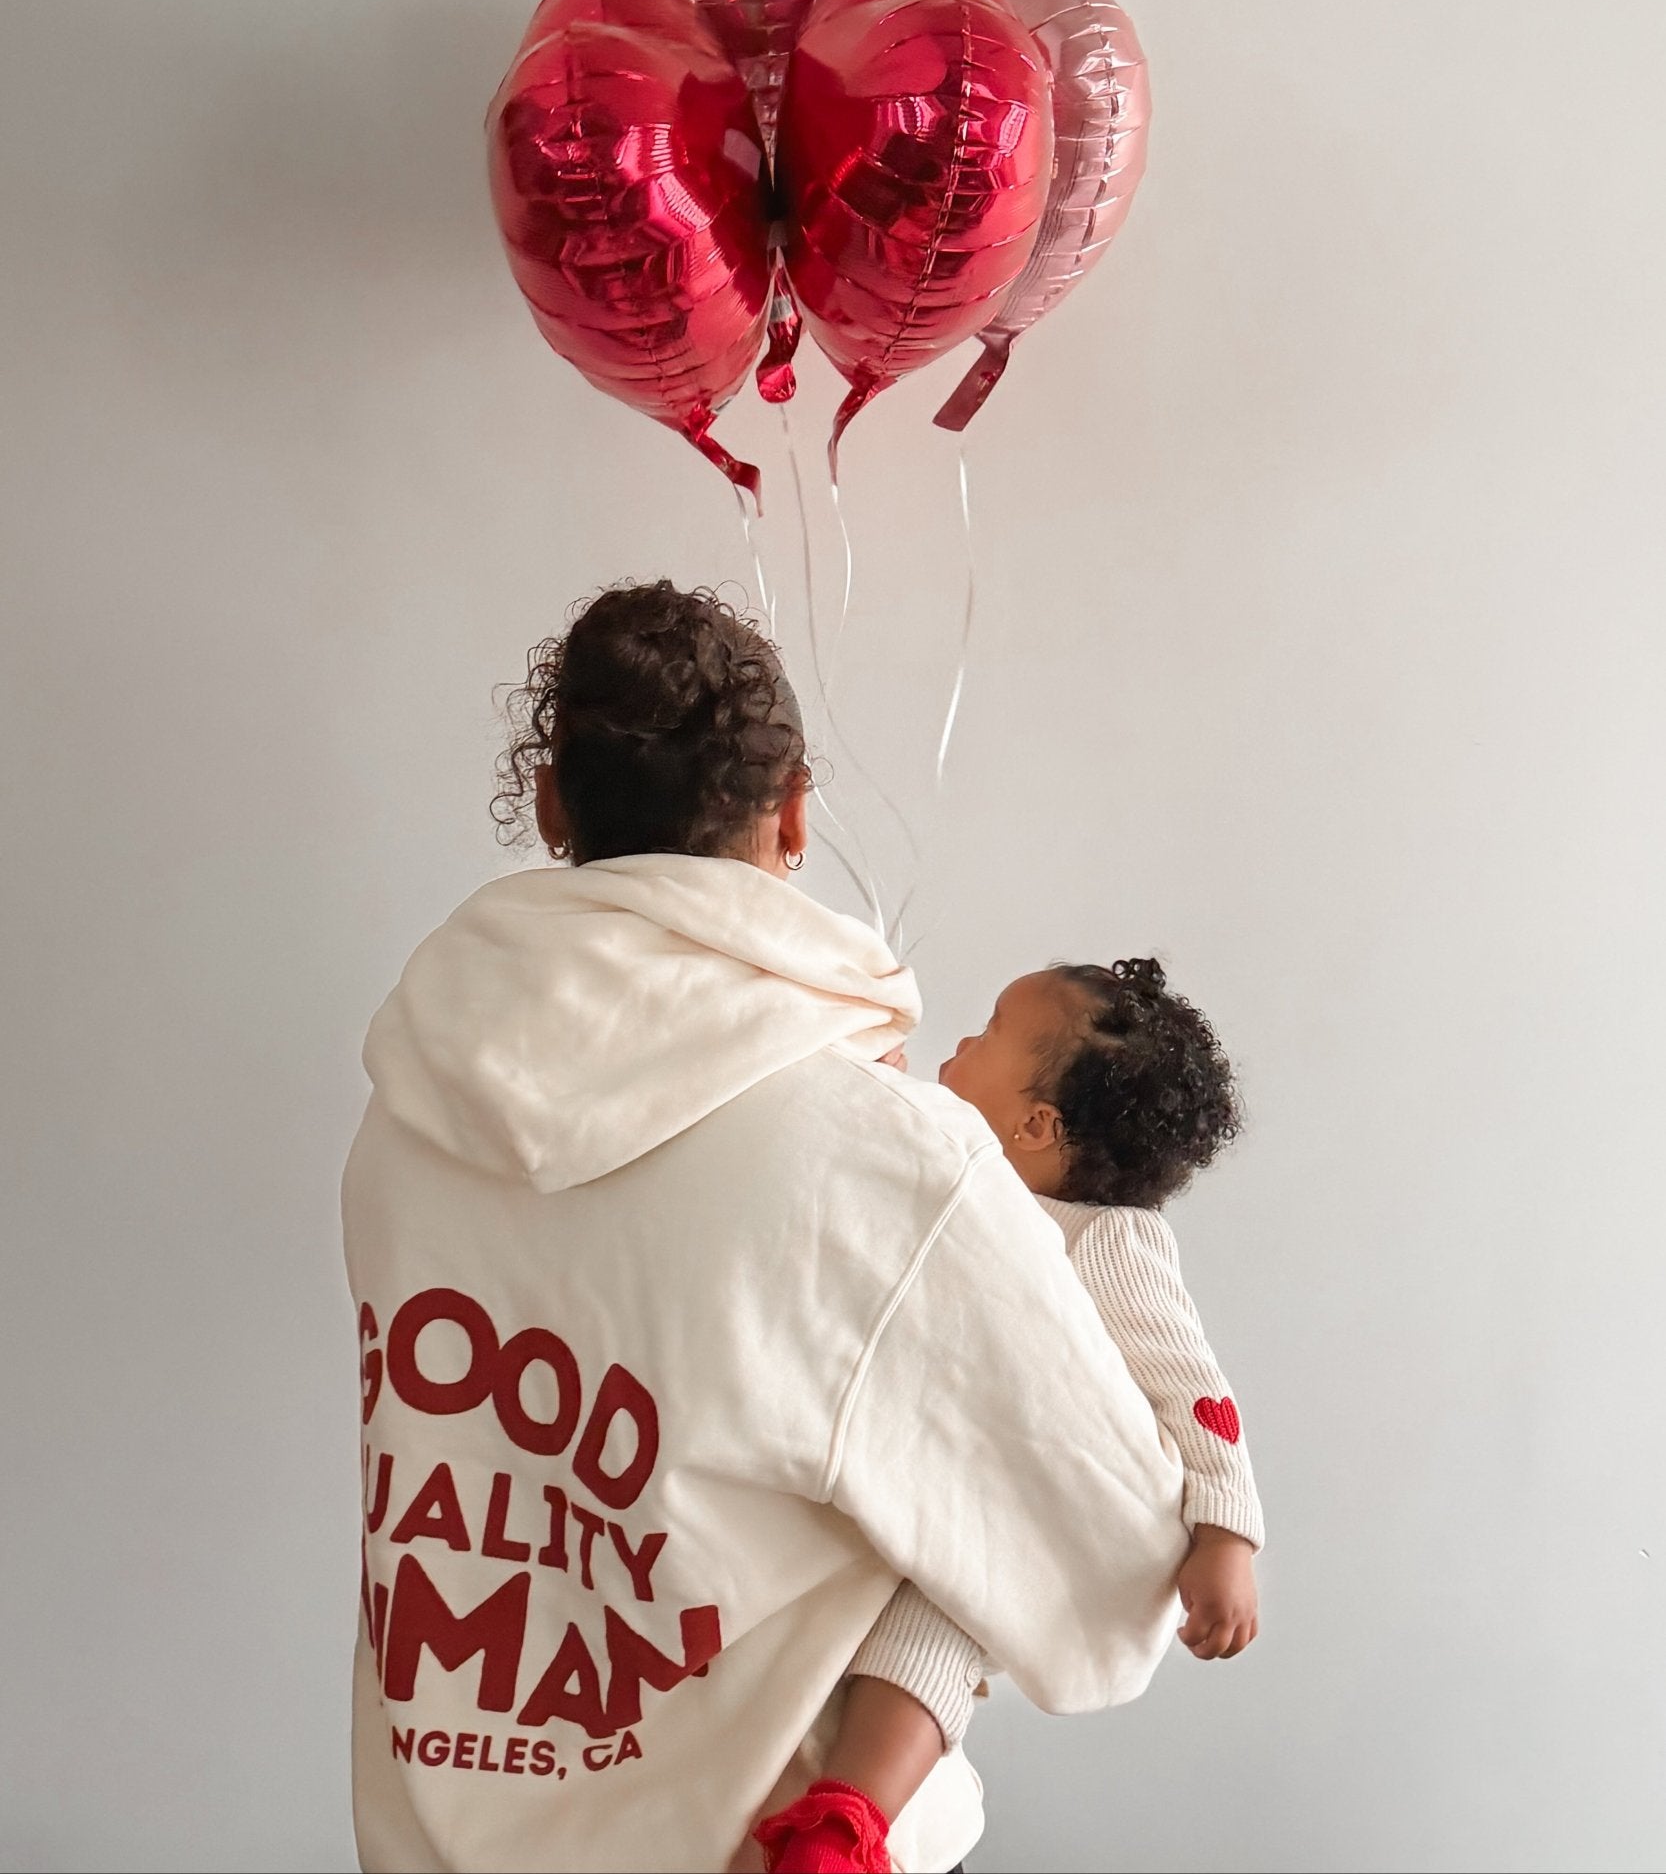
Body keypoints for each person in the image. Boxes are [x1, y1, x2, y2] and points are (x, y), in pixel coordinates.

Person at [342, 580, 1188, 1874]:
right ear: (793, 811)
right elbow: (1112, 1579)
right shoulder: (884, 1157)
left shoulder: (403, 1127)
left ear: (555, 807)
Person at [753, 962, 1262, 1873]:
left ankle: (845, 1824)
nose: (962, 1040)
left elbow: (1196, 1391)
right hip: (911, 1462)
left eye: (990, 1030)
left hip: (1005, 1504)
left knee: (938, 1625)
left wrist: (1227, 1535)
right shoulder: (957, 1177)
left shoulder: (1104, 1239)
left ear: (1035, 1125)